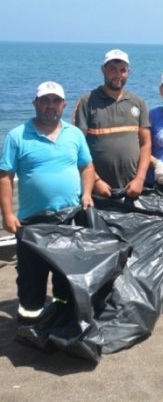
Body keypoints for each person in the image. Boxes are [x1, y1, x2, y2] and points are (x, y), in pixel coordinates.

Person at [0, 82, 94, 324]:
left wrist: (87, 194)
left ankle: (62, 319)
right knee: (32, 278)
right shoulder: (17, 135)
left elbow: (87, 166)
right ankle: (30, 325)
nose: (50, 106)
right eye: (45, 100)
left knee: (66, 277)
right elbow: (5, 176)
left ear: (63, 105)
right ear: (35, 103)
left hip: (68, 219)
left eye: (55, 101)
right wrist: (8, 214)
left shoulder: (74, 134)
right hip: (32, 223)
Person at [73, 49, 151, 198]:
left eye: (123, 70)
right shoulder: (86, 102)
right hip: (98, 191)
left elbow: (146, 144)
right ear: (103, 70)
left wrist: (140, 179)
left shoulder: (138, 103)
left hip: (132, 189)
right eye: (112, 69)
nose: (118, 75)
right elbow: (77, 146)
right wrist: (95, 181)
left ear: (128, 72)